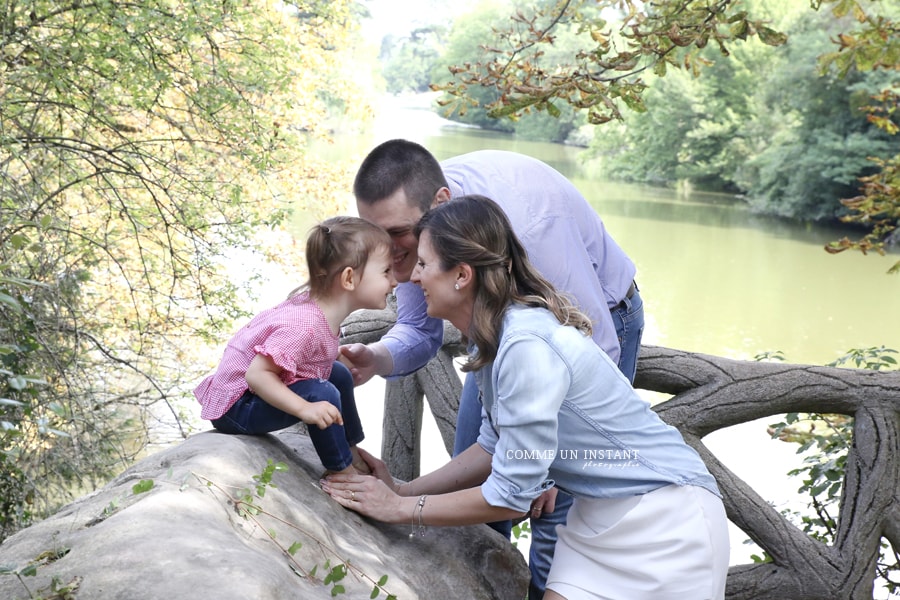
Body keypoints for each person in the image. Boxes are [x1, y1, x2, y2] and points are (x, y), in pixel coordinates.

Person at [323, 196, 729, 599]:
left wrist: (399, 510)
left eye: (424, 264)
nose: (413, 277)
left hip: (666, 518)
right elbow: (492, 446)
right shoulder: (494, 336)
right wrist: (404, 490)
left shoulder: (526, 345)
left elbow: (510, 496)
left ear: (461, 275)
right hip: (597, 515)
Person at [339, 139, 644, 597]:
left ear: (440, 203)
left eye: (398, 234)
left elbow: (594, 346)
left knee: (554, 516)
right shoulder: (426, 235)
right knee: (474, 485)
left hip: (597, 322)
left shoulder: (533, 227)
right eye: (375, 232)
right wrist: (376, 358)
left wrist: (546, 466)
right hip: (498, 330)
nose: (386, 249)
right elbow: (419, 332)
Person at [194, 216, 396, 475]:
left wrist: (332, 358)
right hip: (237, 406)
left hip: (252, 394)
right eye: (386, 272)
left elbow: (307, 353)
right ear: (348, 279)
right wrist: (306, 409)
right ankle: (341, 472)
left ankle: (349, 448)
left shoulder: (321, 309)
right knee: (323, 394)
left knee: (339, 375)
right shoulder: (304, 326)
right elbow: (256, 375)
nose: (394, 281)